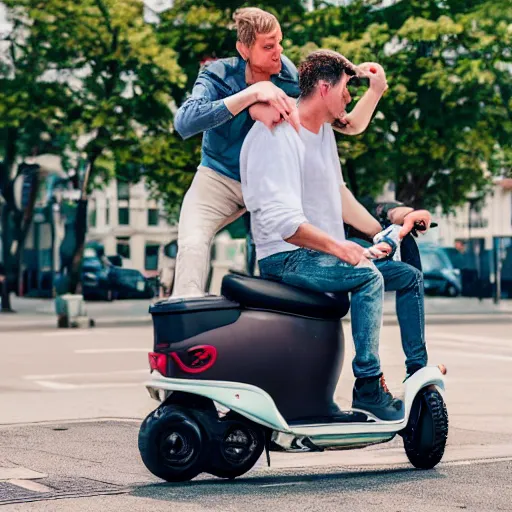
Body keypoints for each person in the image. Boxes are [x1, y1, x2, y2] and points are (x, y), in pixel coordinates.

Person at [240, 50, 432, 421]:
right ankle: (368, 387)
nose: (348, 98)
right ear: (325, 88)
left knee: (408, 277)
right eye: (346, 89)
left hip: (321, 253)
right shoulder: (277, 133)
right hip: (285, 256)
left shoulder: (322, 132)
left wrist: (385, 232)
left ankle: (418, 376)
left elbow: (339, 195)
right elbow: (285, 224)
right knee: (366, 276)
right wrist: (343, 249)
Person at [172, 7, 397, 297]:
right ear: (244, 49)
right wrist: (252, 95)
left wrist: (373, 89)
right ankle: (184, 317)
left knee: (278, 253)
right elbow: (186, 121)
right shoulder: (218, 74)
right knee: (192, 241)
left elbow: (348, 124)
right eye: (268, 46)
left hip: (270, 183)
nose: (278, 52)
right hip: (219, 178)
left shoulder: (289, 76)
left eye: (279, 42)